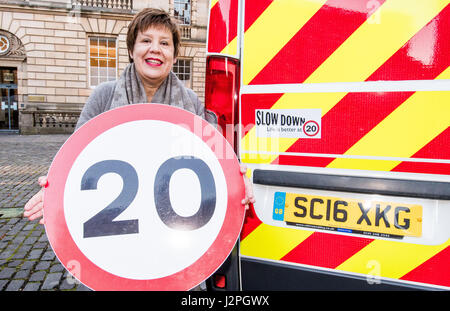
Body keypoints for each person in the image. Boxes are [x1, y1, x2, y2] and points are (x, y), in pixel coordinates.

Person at [23, 8, 255, 224]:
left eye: (165, 43)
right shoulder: (104, 96)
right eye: (146, 41)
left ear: (174, 57)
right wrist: (56, 189)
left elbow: (217, 153)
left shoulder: (191, 102)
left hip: (174, 219)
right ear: (132, 51)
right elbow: (76, 157)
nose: (155, 49)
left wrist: (236, 178)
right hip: (114, 217)